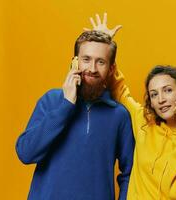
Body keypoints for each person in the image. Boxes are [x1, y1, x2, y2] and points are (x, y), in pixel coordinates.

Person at [86, 13, 176, 200]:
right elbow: (118, 88)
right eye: (154, 94)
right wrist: (103, 44)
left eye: (167, 90)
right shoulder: (144, 122)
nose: (161, 99)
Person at [15, 30, 135, 200]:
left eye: (100, 61)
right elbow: (26, 153)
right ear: (75, 62)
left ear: (111, 69)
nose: (92, 69)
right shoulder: (51, 101)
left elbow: (130, 172)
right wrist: (66, 106)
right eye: (86, 59)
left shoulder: (119, 116)